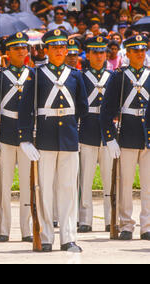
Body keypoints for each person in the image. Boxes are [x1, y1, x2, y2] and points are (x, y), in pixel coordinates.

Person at [18, 29, 89, 253]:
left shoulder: (76, 75)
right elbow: (25, 108)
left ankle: (69, 238)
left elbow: (83, 107)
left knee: (68, 188)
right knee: (44, 189)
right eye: (54, 47)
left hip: (68, 136)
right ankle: (46, 236)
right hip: (45, 137)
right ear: (46, 50)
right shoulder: (36, 75)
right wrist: (26, 139)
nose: (59, 51)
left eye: (62, 47)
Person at [0, 32, 34, 243]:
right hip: (6, 133)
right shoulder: (0, 76)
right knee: (4, 184)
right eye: (16, 48)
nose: (21, 51)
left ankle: (27, 229)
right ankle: (3, 228)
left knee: (27, 185)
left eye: (24, 48)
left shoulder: (33, 75)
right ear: (8, 53)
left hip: (28, 137)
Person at [100, 34, 150, 241]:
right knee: (125, 183)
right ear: (127, 53)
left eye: (142, 49)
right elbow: (106, 110)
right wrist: (109, 138)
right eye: (135, 50)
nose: (140, 53)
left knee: (148, 184)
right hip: (127, 133)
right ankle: (126, 224)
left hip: (147, 135)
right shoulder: (119, 76)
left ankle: (147, 225)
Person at [78, 36, 114, 233]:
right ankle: (85, 219)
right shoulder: (81, 77)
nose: (99, 56)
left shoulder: (113, 76)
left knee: (110, 178)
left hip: (107, 133)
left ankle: (111, 218)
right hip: (88, 130)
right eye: (95, 52)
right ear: (88, 55)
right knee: (86, 179)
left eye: (102, 52)